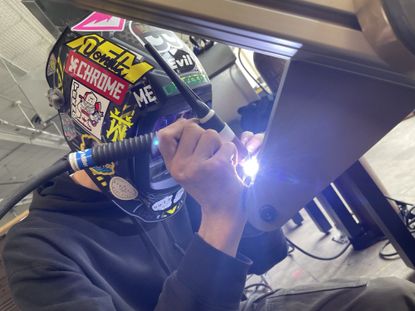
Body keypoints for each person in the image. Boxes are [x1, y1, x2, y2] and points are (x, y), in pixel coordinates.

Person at [3, 13, 415, 311]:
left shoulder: (171, 185)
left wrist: (248, 194)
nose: (189, 138)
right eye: (166, 124)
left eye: (191, 117)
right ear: (101, 131)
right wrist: (219, 216)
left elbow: (265, 257)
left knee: (392, 298)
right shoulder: (39, 251)